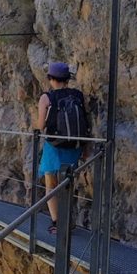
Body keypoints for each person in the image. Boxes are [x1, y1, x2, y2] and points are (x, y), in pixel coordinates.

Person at [36, 61, 88, 235]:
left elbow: (41, 125)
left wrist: (34, 127)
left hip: (54, 146)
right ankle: (69, 219)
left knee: (51, 184)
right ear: (67, 79)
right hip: (75, 146)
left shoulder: (46, 98)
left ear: (50, 78)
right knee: (68, 183)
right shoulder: (78, 95)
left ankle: (57, 223)